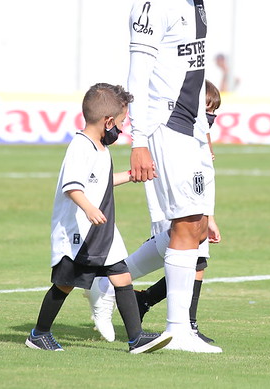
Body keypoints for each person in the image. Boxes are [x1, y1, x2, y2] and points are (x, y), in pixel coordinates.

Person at [126, 0, 231, 353]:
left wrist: (204, 133)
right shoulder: (152, 3)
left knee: (195, 226)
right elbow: (139, 74)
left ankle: (107, 284)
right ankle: (178, 330)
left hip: (192, 130)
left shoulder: (197, 2)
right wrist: (136, 140)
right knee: (186, 225)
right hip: (164, 129)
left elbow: (196, 71)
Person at [25, 83, 172, 354]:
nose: (121, 128)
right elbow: (72, 187)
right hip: (80, 232)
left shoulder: (100, 149)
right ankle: (39, 334)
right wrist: (90, 209)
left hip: (103, 232)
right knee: (65, 284)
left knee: (122, 277)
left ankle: (136, 339)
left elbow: (100, 183)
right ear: (107, 122)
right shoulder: (80, 147)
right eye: (120, 122)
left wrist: (131, 175)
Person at [86, 80, 223, 345]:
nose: (211, 116)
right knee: (191, 256)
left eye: (214, 110)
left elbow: (206, 178)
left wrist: (210, 216)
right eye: (207, 109)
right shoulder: (170, 128)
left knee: (196, 259)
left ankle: (128, 294)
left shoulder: (198, 134)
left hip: (195, 205)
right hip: (170, 202)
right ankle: (111, 284)